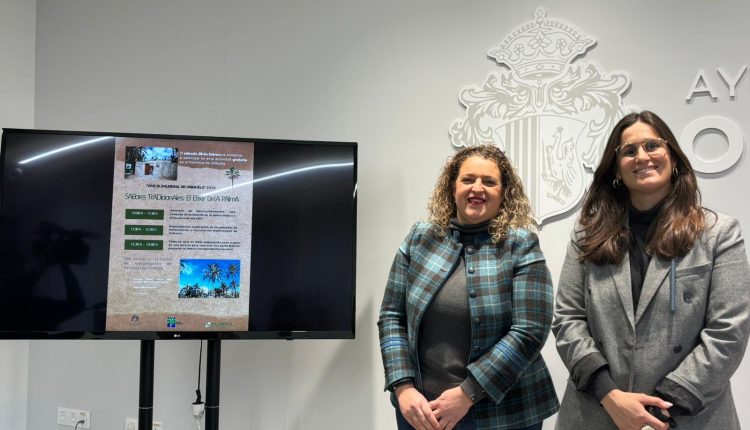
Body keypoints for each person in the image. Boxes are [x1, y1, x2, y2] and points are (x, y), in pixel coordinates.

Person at [553, 110, 750, 430]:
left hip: (689, 416)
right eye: (629, 151)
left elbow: (728, 332)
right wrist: (610, 396)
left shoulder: (718, 233)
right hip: (598, 412)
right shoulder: (587, 234)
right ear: (617, 169)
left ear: (673, 157)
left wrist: (656, 414)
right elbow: (567, 318)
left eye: (652, 145)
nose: (642, 156)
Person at [378, 145, 559, 430]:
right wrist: (403, 386)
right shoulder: (419, 238)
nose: (477, 188)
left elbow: (530, 330)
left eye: (489, 181)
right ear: (453, 187)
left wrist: (467, 393)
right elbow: (392, 317)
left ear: (504, 193)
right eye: (468, 179)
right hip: (420, 409)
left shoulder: (521, 245)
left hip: (506, 414)